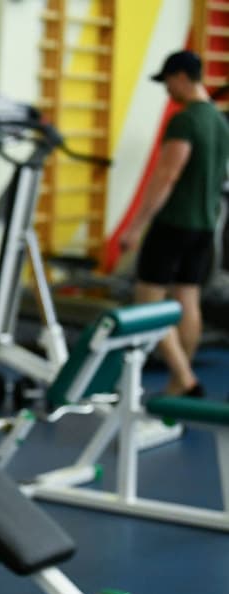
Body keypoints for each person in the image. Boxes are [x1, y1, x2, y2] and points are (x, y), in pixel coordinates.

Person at [119, 50, 229, 397]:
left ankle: (183, 376)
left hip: (174, 224)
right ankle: (181, 377)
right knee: (188, 299)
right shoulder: (220, 121)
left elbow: (167, 175)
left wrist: (136, 227)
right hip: (205, 226)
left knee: (147, 302)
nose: (167, 90)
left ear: (181, 77)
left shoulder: (185, 121)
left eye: (167, 81)